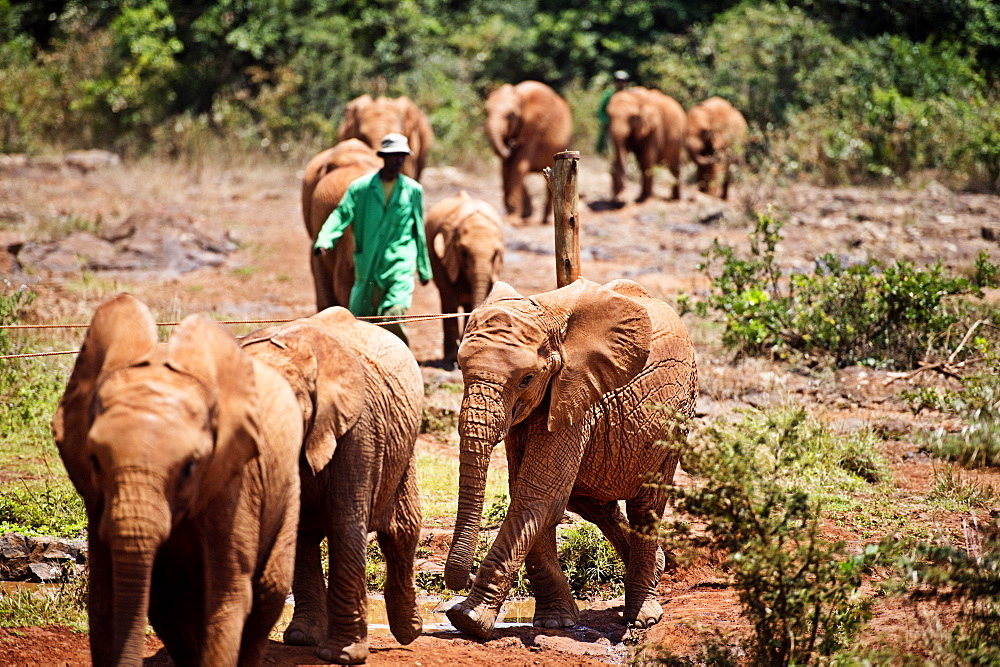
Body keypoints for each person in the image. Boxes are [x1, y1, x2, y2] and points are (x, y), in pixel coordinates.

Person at [313, 133, 431, 345]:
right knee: (360, 320)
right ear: (383, 157)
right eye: (393, 156)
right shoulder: (361, 188)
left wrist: (423, 268)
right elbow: (342, 214)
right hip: (367, 263)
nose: (398, 161)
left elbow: (418, 231)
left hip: (399, 262)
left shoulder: (413, 190)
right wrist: (325, 239)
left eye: (402, 156)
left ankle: (396, 358)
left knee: (394, 313)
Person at [595, 70, 631, 155]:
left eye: (622, 81)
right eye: (618, 81)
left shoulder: (629, 96)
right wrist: (608, 121)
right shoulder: (608, 95)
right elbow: (601, 111)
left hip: (627, 127)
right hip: (612, 126)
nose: (620, 83)